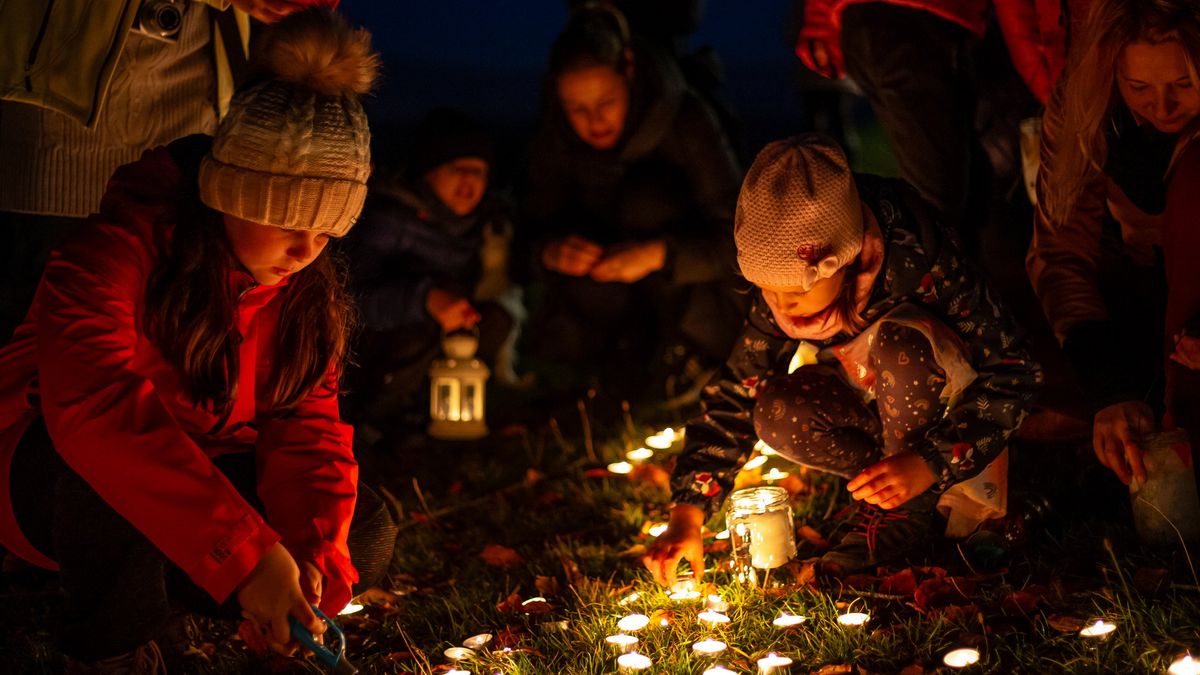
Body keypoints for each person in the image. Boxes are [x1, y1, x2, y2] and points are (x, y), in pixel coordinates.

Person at [0, 9, 392, 671]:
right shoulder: (111, 253)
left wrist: (306, 566)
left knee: (367, 528)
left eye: (326, 231)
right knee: (105, 478)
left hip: (197, 486)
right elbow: (94, 413)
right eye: (287, 218)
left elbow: (307, 428)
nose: (304, 249)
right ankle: (118, 642)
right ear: (228, 192)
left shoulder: (300, 288)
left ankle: (249, 603)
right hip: (52, 476)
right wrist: (247, 558)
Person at [643, 135, 1041, 583]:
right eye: (766, 289)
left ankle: (913, 499)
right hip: (878, 412)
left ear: (845, 260)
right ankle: (894, 496)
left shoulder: (918, 258)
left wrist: (931, 460)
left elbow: (1014, 370)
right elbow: (739, 390)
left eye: (796, 290)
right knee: (775, 410)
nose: (782, 305)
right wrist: (687, 515)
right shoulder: (781, 294)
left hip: (953, 411)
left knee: (900, 344)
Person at [0, 0, 336, 343]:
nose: (307, 251)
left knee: (161, 354)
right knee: (48, 349)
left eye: (328, 232)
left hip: (192, 143)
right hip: (67, 129)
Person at [522, 2, 745, 404]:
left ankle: (696, 357)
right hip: (611, 302)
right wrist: (551, 252)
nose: (594, 121)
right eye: (577, 108)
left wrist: (661, 254)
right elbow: (528, 231)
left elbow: (741, 240)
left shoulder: (685, 118)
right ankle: (610, 370)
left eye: (605, 102)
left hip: (695, 296)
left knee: (647, 201)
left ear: (629, 70)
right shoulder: (555, 138)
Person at [1026, 0, 1200, 486]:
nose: (1162, 107)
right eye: (1139, 87)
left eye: (1184, 85)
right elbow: (1060, 250)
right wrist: (1110, 386)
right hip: (1144, 286)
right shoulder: (1086, 102)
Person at [345, 109, 522, 443]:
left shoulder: (482, 226)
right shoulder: (387, 220)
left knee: (495, 320)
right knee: (423, 326)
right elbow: (350, 301)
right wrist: (424, 299)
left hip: (440, 336)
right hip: (381, 342)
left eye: (479, 172)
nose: (469, 182)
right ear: (428, 172)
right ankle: (378, 416)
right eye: (458, 169)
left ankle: (444, 409)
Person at [795, 0, 993, 241]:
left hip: (898, 24)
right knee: (937, 206)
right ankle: (924, 272)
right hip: (907, 23)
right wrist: (820, 22)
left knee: (965, 196)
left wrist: (821, 22)